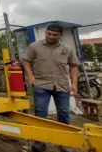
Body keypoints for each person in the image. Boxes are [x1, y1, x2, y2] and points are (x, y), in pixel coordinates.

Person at [21, 24, 80, 152]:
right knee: (40, 113)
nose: (51, 37)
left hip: (62, 85)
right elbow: (25, 60)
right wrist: (30, 76)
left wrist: (74, 83)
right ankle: (39, 142)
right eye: (49, 34)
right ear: (46, 33)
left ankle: (64, 142)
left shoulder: (67, 49)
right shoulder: (34, 46)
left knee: (64, 113)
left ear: (60, 35)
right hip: (41, 84)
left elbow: (74, 65)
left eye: (55, 35)